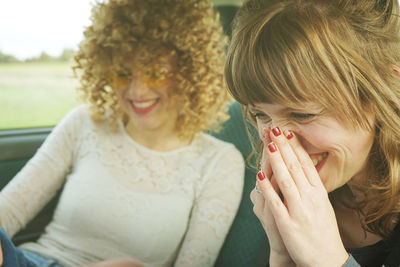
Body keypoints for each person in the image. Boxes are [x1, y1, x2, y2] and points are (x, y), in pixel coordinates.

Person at [0, 0, 245, 266]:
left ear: (190, 71)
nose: (137, 91)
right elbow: (8, 211)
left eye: (154, 73)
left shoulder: (219, 162)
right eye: (122, 74)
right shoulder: (84, 122)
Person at [224, 0, 400, 266]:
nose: (277, 138)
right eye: (261, 115)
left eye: (302, 114)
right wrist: (282, 256)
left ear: (384, 94)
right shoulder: (296, 198)